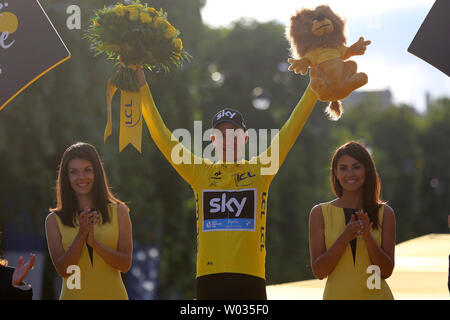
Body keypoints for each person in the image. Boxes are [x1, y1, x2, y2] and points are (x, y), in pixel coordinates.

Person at [135, 66, 318, 299]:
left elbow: (291, 129)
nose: (227, 138)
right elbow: (161, 135)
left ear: (245, 138)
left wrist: (313, 89)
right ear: (213, 139)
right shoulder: (200, 172)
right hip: (209, 277)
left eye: (234, 133)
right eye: (221, 134)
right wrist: (141, 85)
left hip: (250, 278)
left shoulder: (261, 169)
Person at [45, 142, 132, 300]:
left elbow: (125, 264)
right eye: (74, 172)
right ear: (66, 176)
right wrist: (81, 235)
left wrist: (95, 244)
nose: (81, 177)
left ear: (97, 172)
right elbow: (64, 270)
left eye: (87, 170)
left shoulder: (120, 211)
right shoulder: (53, 220)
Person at [309, 141, 395, 299]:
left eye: (356, 167)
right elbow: (319, 272)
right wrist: (346, 235)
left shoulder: (385, 213)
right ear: (335, 172)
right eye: (343, 168)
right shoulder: (319, 213)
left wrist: (368, 236)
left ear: (367, 171)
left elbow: (386, 271)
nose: (350, 174)